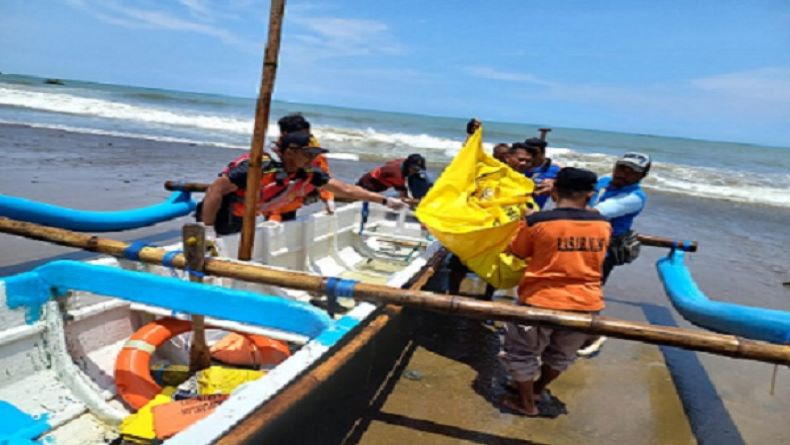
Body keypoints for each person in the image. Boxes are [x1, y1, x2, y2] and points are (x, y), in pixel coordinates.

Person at [499, 167, 611, 417]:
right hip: (586, 302)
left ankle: (526, 403)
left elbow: (517, 252)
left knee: (520, 353)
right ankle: (537, 389)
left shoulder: (539, 221)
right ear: (590, 194)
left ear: (554, 190)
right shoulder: (603, 224)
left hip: (540, 300)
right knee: (561, 355)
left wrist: (526, 221)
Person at [199, 131, 406, 237]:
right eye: (309, 154)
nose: (312, 158)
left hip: (245, 215)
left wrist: (385, 200)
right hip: (220, 213)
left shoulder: (307, 172)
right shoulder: (257, 167)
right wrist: (206, 228)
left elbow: (345, 189)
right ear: (290, 152)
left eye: (315, 154)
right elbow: (215, 190)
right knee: (218, 248)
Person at [576, 152, 650, 358]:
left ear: (641, 176)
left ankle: (593, 334)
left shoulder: (634, 197)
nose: (623, 174)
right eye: (621, 168)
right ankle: (574, 329)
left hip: (604, 250)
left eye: (631, 171)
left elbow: (593, 212)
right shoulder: (604, 181)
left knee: (590, 290)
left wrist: (562, 199)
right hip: (582, 244)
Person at [272, 113, 335, 218]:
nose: (305, 139)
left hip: (300, 188)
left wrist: (328, 198)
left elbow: (323, 172)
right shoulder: (276, 148)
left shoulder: (311, 147)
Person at [356, 154, 432, 203]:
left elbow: (389, 163)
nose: (417, 171)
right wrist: (413, 201)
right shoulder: (397, 176)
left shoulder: (402, 161)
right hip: (371, 185)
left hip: (377, 177)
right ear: (408, 165)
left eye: (419, 169)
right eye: (414, 169)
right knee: (361, 199)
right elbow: (403, 197)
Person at [524, 137, 561, 209]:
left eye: (534, 153)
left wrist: (554, 185)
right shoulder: (520, 168)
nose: (531, 155)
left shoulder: (555, 170)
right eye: (528, 152)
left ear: (543, 153)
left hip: (541, 211)